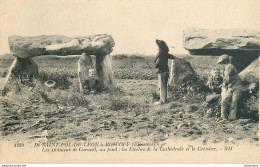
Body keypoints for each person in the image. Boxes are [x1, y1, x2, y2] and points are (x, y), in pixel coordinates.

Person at [217, 54, 243, 120]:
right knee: (224, 100)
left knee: (234, 102)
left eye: (221, 63)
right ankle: (224, 118)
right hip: (230, 87)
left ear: (225, 62)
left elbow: (227, 78)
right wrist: (224, 84)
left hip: (237, 87)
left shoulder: (229, 66)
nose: (221, 65)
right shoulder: (226, 68)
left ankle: (232, 118)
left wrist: (224, 84)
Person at [154, 39, 175, 104]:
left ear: (160, 47)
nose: (157, 47)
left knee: (162, 86)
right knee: (163, 85)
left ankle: (163, 101)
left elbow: (158, 63)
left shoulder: (161, 53)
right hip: (165, 71)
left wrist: (156, 66)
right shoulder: (165, 53)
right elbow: (173, 57)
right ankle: (163, 100)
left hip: (162, 71)